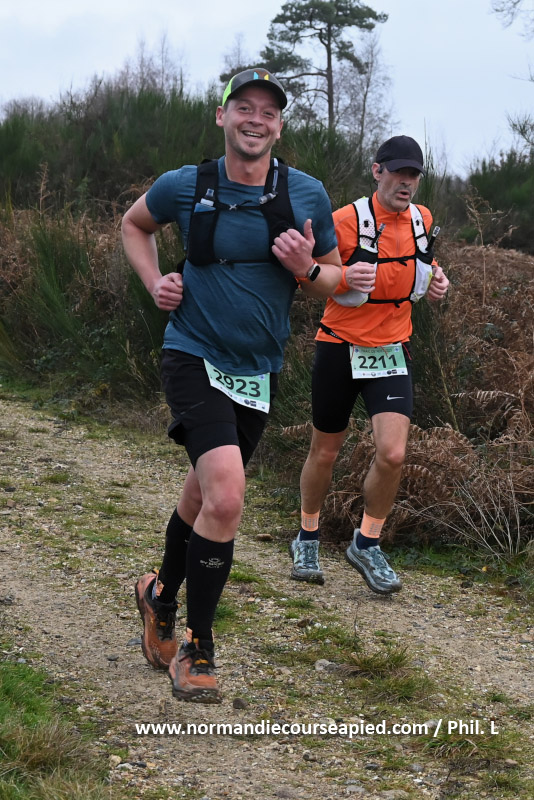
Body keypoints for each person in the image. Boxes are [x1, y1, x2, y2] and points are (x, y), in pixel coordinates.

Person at [121, 68, 341, 704]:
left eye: (268, 112)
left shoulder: (305, 193)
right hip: (192, 353)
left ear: (279, 126)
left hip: (257, 370)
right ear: (222, 116)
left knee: (204, 493)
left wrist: (307, 269)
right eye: (244, 107)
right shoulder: (185, 184)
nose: (255, 120)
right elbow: (134, 225)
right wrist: (155, 282)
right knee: (226, 496)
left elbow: (336, 282)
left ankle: (159, 594)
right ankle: (199, 647)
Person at [290, 135, 449, 593]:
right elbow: (307, 281)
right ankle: (307, 536)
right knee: (325, 451)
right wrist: (342, 278)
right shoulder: (343, 220)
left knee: (393, 453)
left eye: (413, 174)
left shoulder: (422, 220)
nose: (406, 182)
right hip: (339, 346)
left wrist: (438, 283)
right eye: (398, 172)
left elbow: (423, 267)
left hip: (392, 349)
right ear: (377, 171)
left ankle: (367, 542)